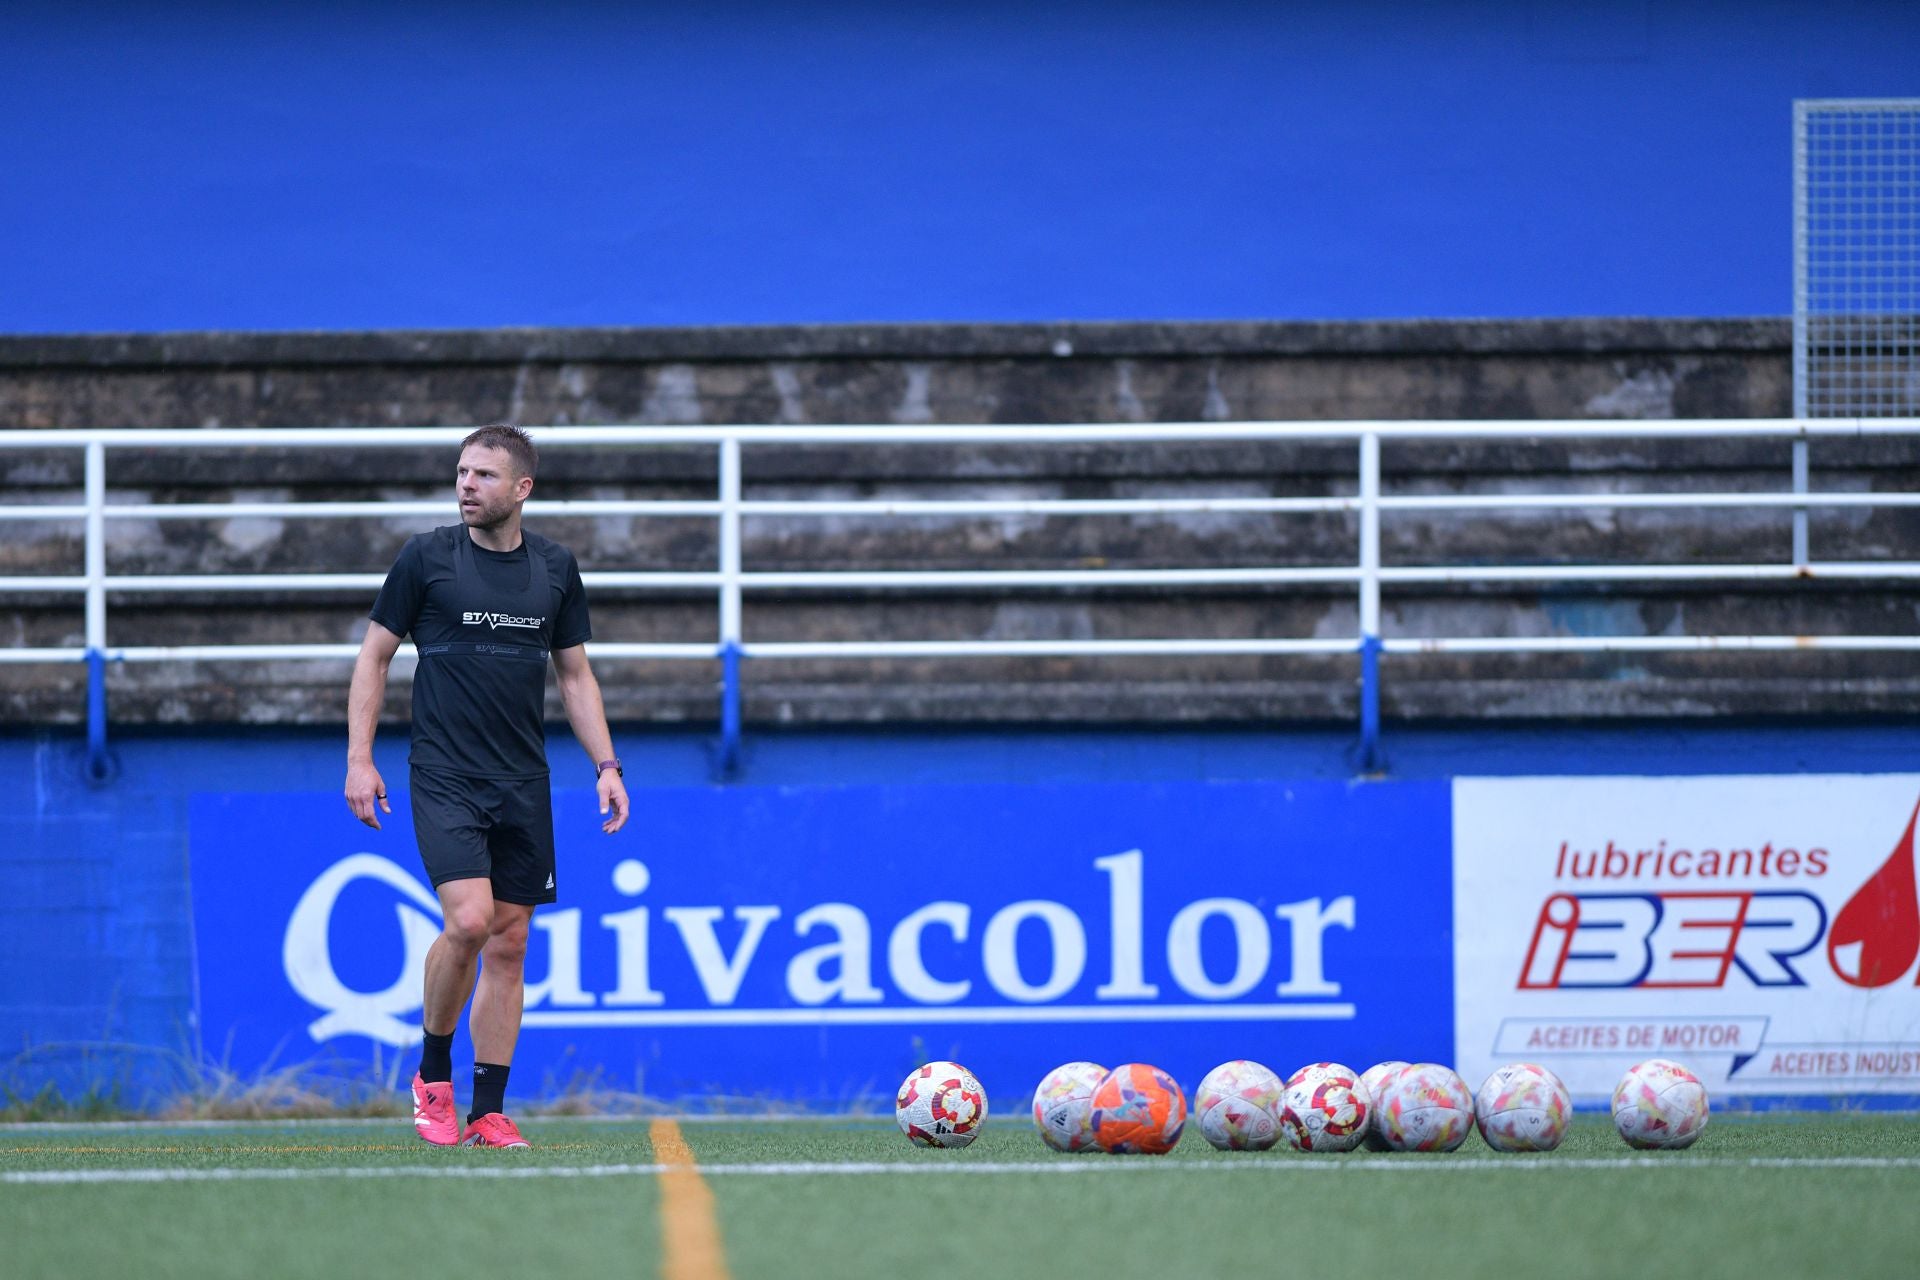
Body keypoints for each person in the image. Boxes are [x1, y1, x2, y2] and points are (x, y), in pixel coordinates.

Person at [343, 423, 629, 1149]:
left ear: (522, 489)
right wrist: (360, 758)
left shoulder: (555, 569)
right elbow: (374, 657)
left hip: (522, 781)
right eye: (462, 472)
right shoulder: (427, 559)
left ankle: (489, 1112)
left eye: (484, 475)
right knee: (469, 922)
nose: (467, 484)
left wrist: (606, 766)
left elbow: (574, 675)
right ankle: (431, 1075)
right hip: (443, 774)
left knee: (511, 942)